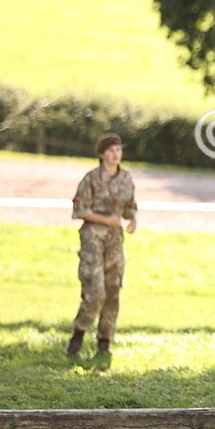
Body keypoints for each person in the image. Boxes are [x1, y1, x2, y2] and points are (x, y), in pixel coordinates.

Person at [66, 133, 138, 362]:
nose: (116, 153)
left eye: (119, 149)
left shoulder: (126, 178)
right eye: (111, 150)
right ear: (101, 154)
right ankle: (78, 335)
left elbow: (130, 206)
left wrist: (133, 218)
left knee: (113, 290)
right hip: (93, 238)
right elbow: (79, 211)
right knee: (96, 291)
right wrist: (106, 220)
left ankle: (104, 341)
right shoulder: (90, 179)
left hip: (115, 241)